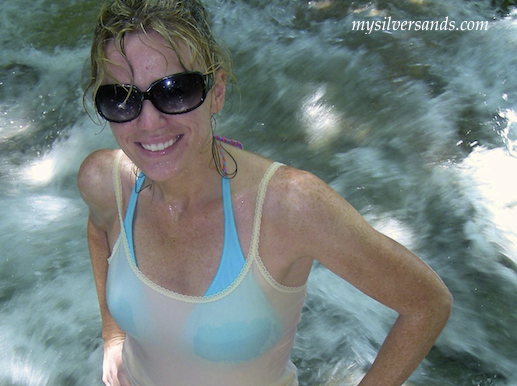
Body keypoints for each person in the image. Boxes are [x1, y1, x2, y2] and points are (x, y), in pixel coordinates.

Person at [77, 0, 453, 385]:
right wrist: (113, 335)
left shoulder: (289, 206)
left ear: (217, 91)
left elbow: (426, 304)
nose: (149, 122)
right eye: (122, 98)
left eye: (176, 91)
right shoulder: (105, 182)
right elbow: (98, 232)